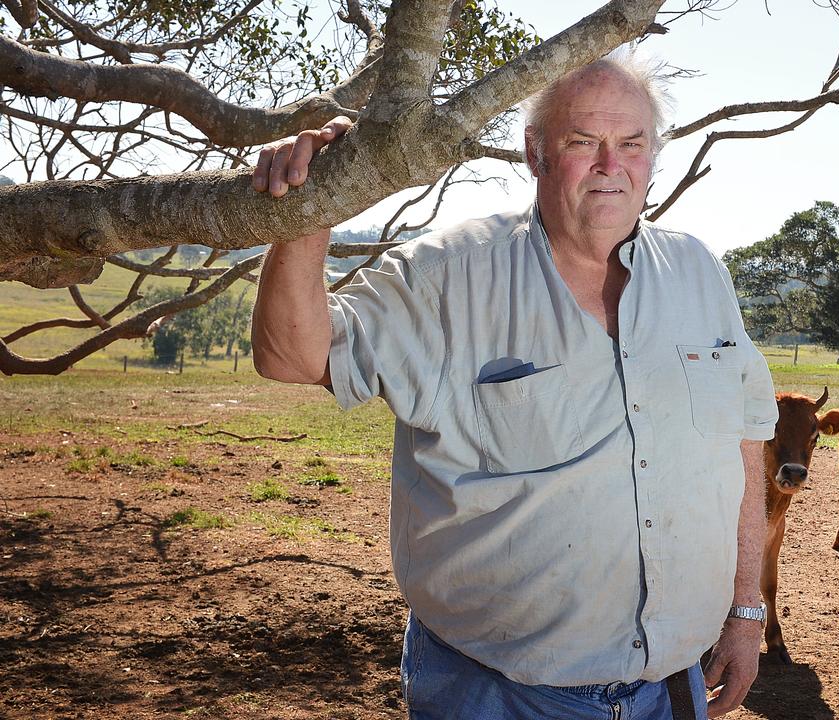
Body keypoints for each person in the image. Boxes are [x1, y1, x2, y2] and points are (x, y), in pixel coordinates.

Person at [250, 49, 778, 720]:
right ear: (536, 152)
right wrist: (304, 212)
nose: (612, 167)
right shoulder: (448, 274)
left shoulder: (700, 272)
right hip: (494, 694)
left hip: (669, 692)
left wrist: (744, 612)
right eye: (584, 143)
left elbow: (740, 443)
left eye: (633, 145)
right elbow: (290, 356)